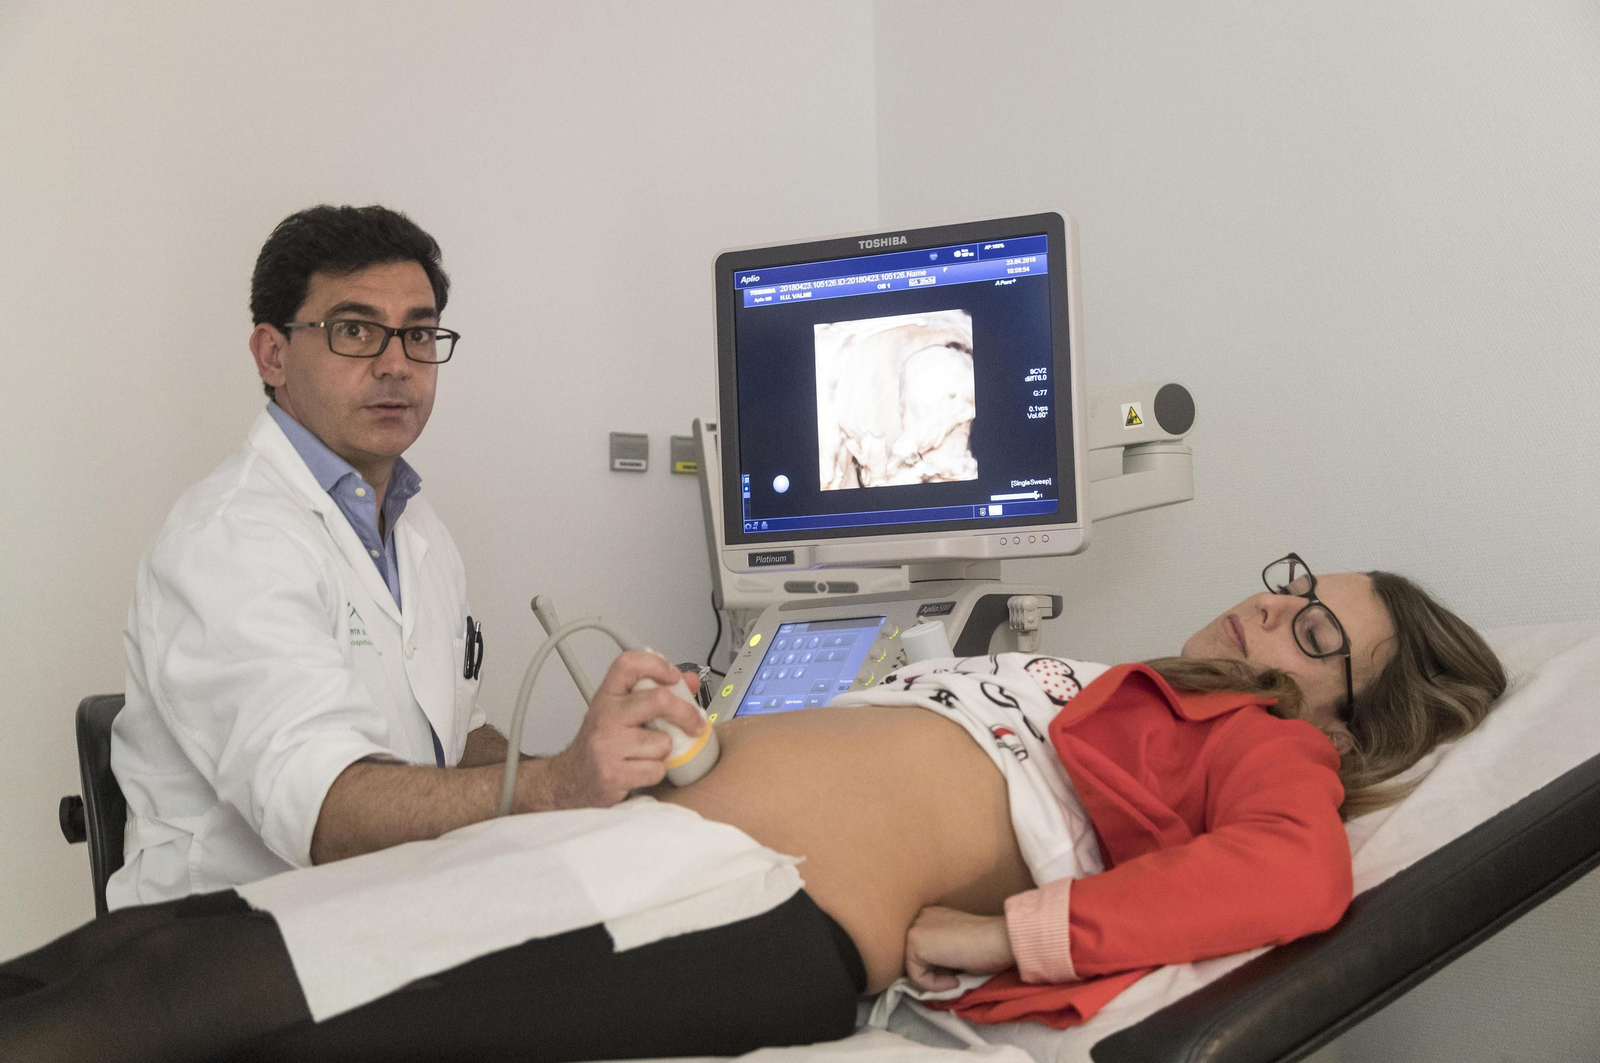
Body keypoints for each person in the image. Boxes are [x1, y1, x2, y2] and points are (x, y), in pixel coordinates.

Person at [1, 559, 1506, 1061]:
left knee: (193, 1003)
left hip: (741, 901)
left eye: (1319, 633)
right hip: (634, 847)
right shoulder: (1121, 679)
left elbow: (1293, 872)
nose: (1274, 611)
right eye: (1296, 584)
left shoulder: (1268, 742)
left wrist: (1015, 931)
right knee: (152, 954)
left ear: (1344, 714)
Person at [108, 205, 706, 907]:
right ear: (273, 354)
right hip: (233, 941)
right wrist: (556, 786)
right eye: (354, 331)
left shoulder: (412, 523)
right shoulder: (227, 542)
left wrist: (601, 777)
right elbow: (326, 811)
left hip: (392, 911)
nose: (396, 365)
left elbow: (453, 739)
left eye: (418, 334)